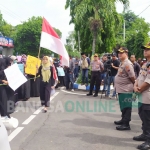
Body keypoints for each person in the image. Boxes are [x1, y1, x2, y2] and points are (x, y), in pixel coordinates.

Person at [133, 43, 150, 150]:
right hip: (141, 95)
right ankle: (144, 134)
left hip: (148, 96)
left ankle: (149, 141)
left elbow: (148, 82)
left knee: (148, 119)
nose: (145, 50)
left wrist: (139, 90)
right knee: (142, 115)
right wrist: (135, 86)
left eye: (148, 49)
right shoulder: (145, 64)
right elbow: (139, 78)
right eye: (144, 49)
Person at [114, 47, 135, 131]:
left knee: (126, 106)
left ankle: (126, 124)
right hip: (121, 89)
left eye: (121, 53)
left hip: (126, 89)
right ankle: (123, 120)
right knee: (123, 106)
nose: (119, 54)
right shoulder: (122, 63)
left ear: (126, 53)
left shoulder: (127, 64)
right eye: (118, 52)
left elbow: (132, 77)